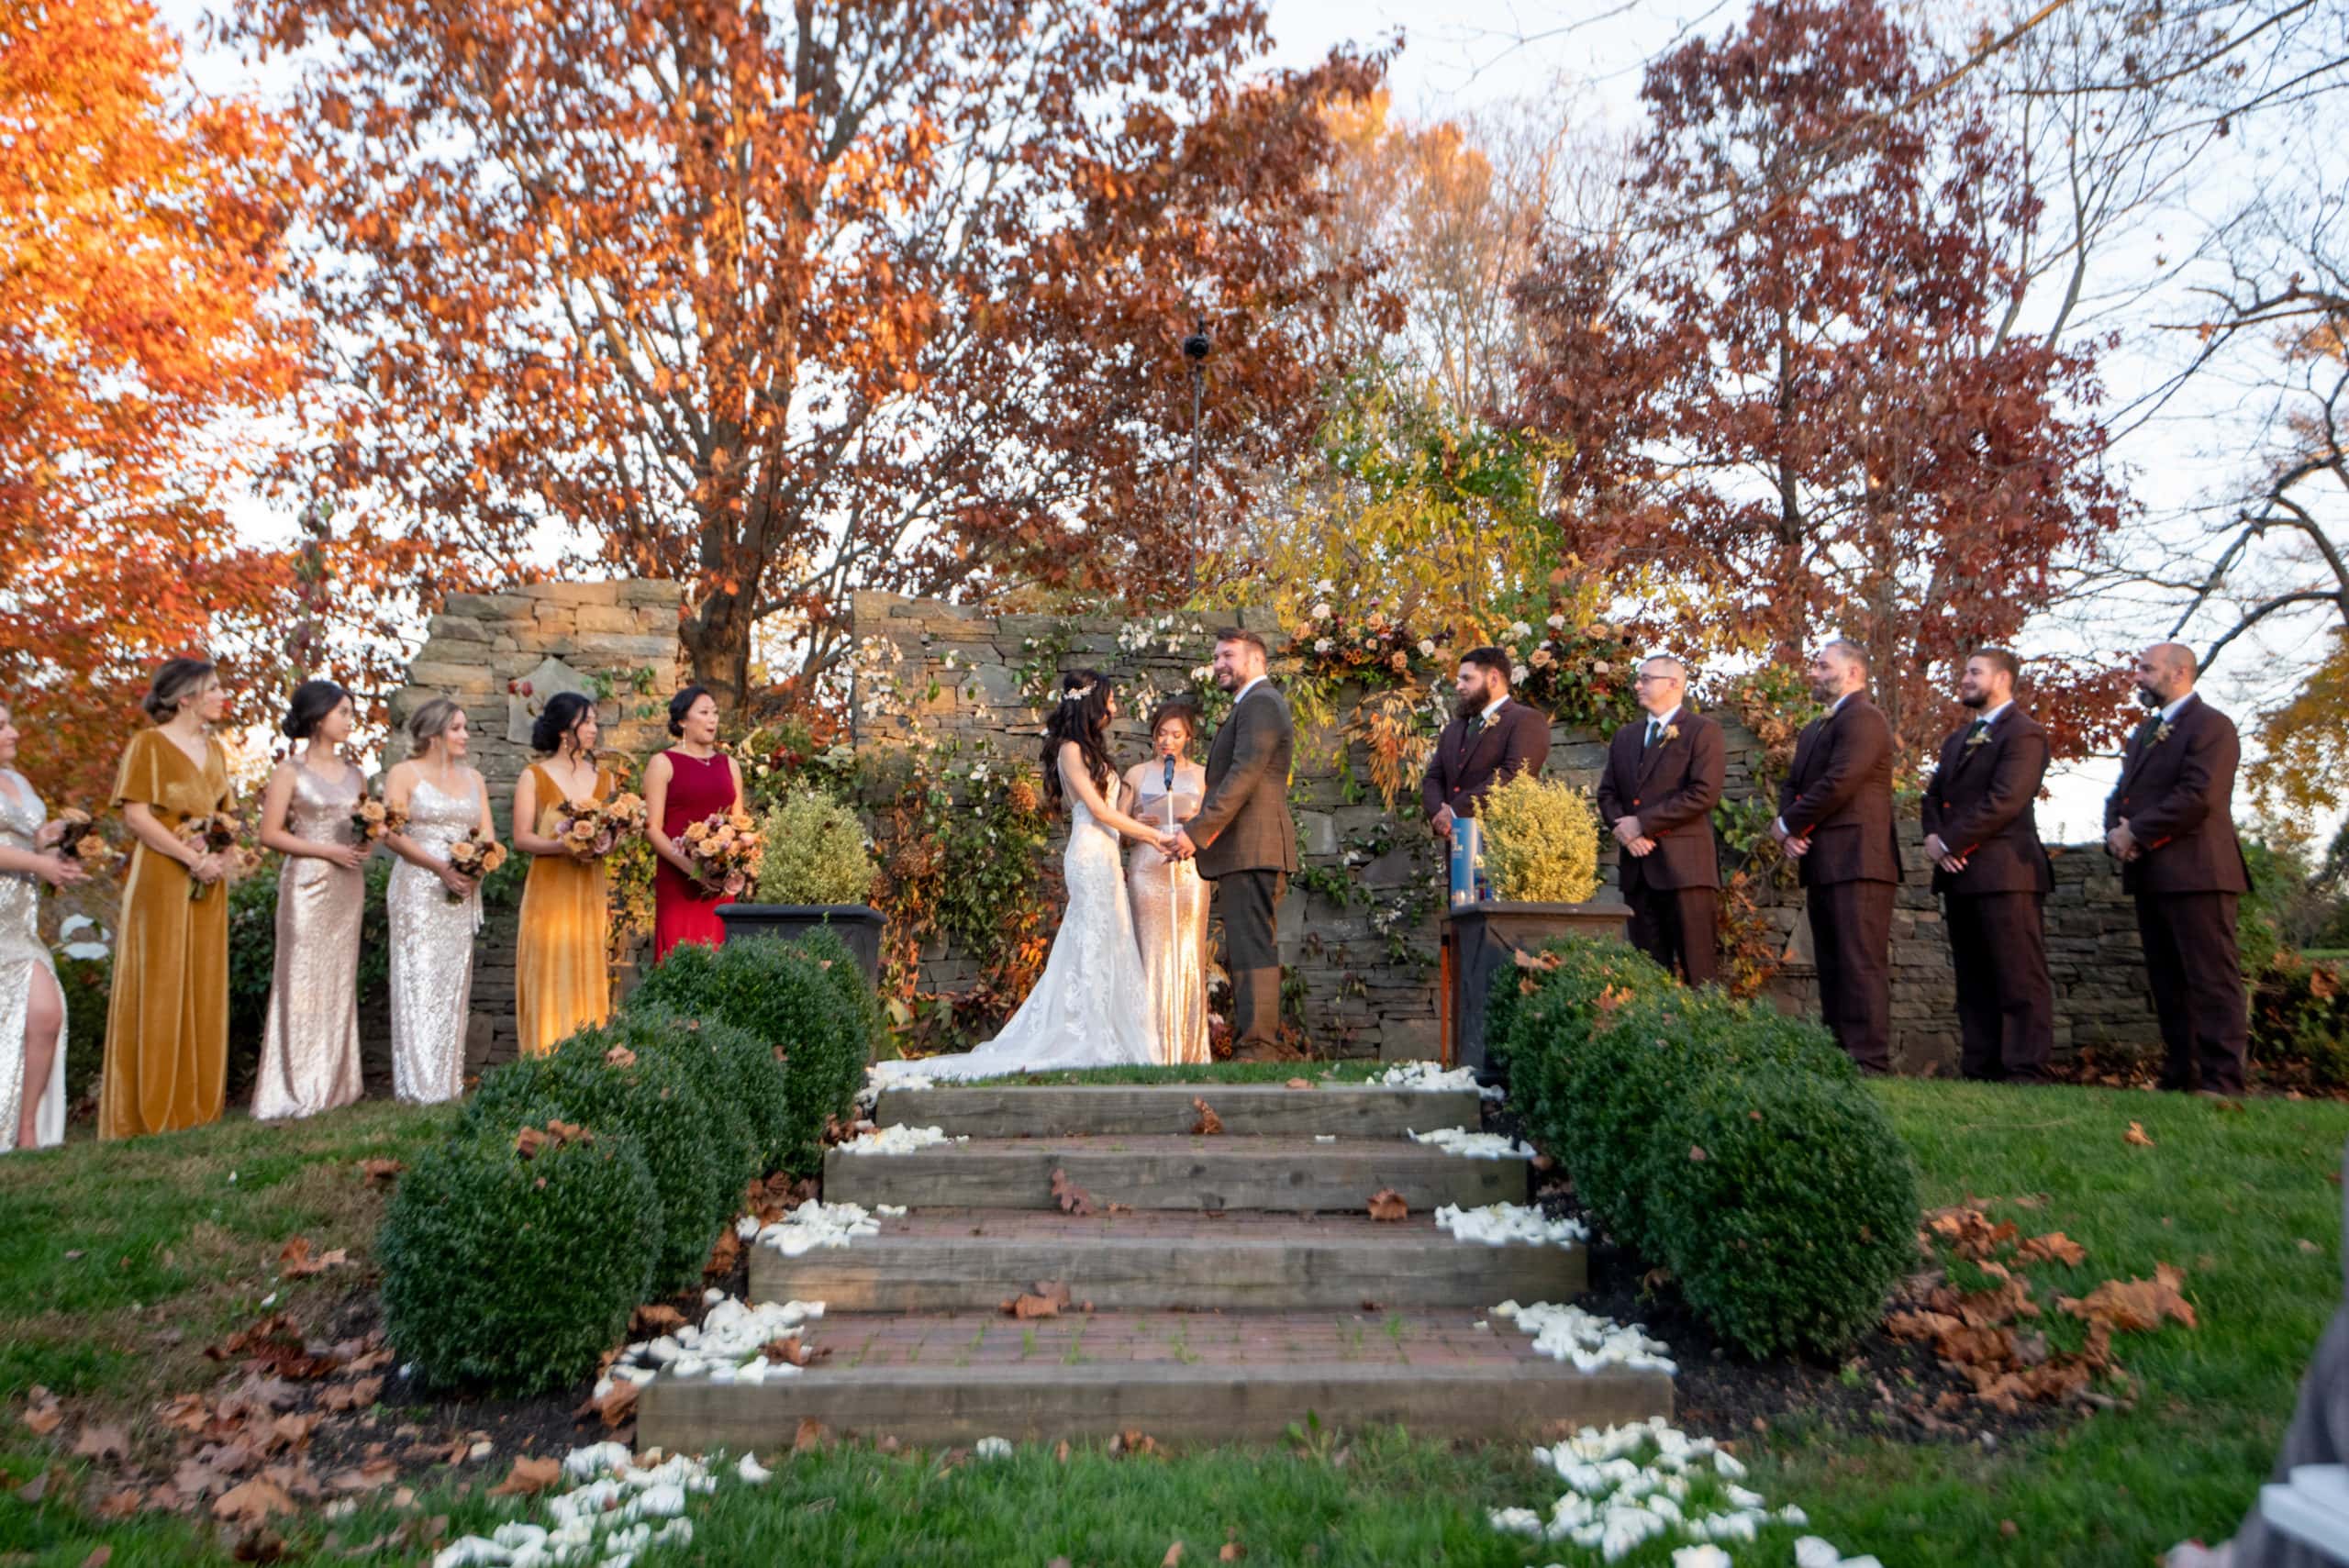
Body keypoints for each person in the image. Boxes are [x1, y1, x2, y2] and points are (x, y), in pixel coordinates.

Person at [874, 671, 1179, 1081]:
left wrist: (1138, 821)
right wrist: (1154, 837)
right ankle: (1088, 1036)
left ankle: (1110, 1033)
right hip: (1089, 857)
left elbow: (1112, 815)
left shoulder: (1092, 750)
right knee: (1091, 941)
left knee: (1111, 939)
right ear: (1092, 703)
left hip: (1107, 856)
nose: (1114, 707)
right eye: (1109, 700)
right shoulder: (1070, 750)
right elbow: (1098, 812)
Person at [2105, 641, 2251, 1095]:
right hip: (2152, 873)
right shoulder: (2144, 733)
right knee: (2167, 981)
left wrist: (2137, 832)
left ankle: (2222, 1078)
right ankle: (2180, 1074)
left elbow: (2199, 796)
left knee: (2211, 978)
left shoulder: (2212, 726)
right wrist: (2115, 833)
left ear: (2180, 672)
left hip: (2199, 872)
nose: (2138, 676)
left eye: (2147, 669)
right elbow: (2121, 794)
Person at [102, 658, 235, 1140]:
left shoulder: (215, 749)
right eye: (213, 689)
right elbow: (137, 818)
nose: (222, 696)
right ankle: (149, 1110)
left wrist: (222, 857)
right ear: (185, 699)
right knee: (160, 982)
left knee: (203, 979)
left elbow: (226, 816)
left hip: (209, 883)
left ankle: (197, 1107)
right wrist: (190, 858)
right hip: (162, 877)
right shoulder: (148, 745)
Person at [1921, 649, 2055, 1084]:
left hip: (2006, 872)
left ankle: (2025, 1068)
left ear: (2002, 679)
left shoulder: (2025, 733)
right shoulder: (1957, 740)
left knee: (2019, 976)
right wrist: (1934, 839)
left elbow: (2007, 799)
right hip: (1960, 874)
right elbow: (1932, 795)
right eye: (1965, 671)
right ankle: (1980, 1067)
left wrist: (1952, 841)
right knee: (1973, 977)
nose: (1964, 679)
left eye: (1974, 672)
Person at [1773, 639, 1901, 1073]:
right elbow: (1794, 785)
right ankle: (1839, 1055)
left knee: (1859, 962)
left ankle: (1868, 1060)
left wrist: (1789, 824)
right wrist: (1790, 831)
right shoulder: (1815, 728)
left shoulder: (1866, 719)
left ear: (1854, 673)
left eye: (1824, 666)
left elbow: (1841, 781)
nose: (1814, 672)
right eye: (1816, 665)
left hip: (1860, 860)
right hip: (1824, 861)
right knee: (1831, 963)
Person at [1171, 628, 1299, 1060]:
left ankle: (1259, 1047)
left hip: (1254, 846)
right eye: (1215, 657)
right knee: (1248, 947)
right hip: (1247, 847)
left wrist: (1197, 831)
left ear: (1256, 660)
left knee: (1253, 946)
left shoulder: (1261, 703)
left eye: (1228, 655)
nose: (1219, 664)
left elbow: (1243, 775)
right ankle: (1258, 1043)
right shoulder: (1252, 704)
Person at [250, 681, 369, 1120]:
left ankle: (335, 1085)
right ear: (319, 717)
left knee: (339, 978)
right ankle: (293, 1088)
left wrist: (366, 842)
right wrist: (326, 851)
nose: (350, 720)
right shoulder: (290, 772)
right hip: (305, 885)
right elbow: (269, 834)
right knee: (300, 980)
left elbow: (365, 827)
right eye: (343, 712)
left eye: (351, 711)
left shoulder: (357, 775)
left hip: (347, 884)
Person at [383, 697, 496, 1104]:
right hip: (418, 888)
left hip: (460, 889)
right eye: (456, 728)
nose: (465, 735)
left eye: (465, 727)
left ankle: (446, 1084)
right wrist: (439, 868)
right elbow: (390, 832)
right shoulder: (403, 773)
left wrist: (475, 870)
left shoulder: (474, 778)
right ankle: (417, 1086)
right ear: (433, 734)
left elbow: (488, 836)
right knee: (418, 978)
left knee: (452, 983)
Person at [1596, 655, 1725, 984]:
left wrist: (1642, 824)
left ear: (1673, 683)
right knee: (1647, 979)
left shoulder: (1702, 731)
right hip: (1638, 872)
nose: (1637, 685)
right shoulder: (1625, 736)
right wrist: (1626, 832)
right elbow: (1607, 793)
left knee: (1700, 974)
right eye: (1638, 678)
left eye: (1646, 678)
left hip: (1686, 872)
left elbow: (1703, 793)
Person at [0, 699, 84, 1150]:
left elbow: (26, 841)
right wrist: (39, 862)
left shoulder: (17, 781)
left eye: (10, 724)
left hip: (18, 918)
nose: (13, 733)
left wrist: (52, 847)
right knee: (41, 1010)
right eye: (2, 727)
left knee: (45, 1014)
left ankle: (27, 1127)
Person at [512, 692, 617, 1057]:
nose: (593, 728)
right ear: (563, 730)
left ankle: (586, 1059)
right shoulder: (534, 777)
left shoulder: (605, 779)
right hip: (550, 890)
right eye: (586, 721)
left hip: (589, 886)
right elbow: (522, 838)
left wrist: (605, 843)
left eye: (594, 721)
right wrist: (566, 846)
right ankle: (545, 1058)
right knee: (550, 967)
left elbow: (614, 835)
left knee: (586, 961)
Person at [1124, 698, 1210, 1065]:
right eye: (1162, 733)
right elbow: (1116, 828)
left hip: (1188, 871)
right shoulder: (1136, 774)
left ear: (1188, 737)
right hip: (1148, 868)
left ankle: (1189, 1050)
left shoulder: (1204, 775)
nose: (1168, 741)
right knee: (1150, 952)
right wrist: (1138, 824)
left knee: (1188, 951)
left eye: (1176, 734)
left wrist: (1197, 826)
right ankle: (1148, 1049)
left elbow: (1218, 825)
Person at [644, 686, 746, 962]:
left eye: (715, 713)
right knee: (679, 955)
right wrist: (692, 869)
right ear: (682, 721)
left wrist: (736, 864)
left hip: (719, 881)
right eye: (703, 712)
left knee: (719, 957)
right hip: (679, 880)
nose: (712, 719)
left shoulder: (729, 764)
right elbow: (652, 828)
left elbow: (739, 824)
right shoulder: (663, 763)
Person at [1420, 648, 1553, 840]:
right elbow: (1433, 778)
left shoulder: (1525, 720)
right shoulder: (1453, 729)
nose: (1459, 687)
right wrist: (1439, 815)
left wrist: (1456, 811)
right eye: (1459, 680)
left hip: (1500, 844)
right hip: (1456, 842)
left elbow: (1515, 775)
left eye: (1467, 678)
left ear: (1493, 678)